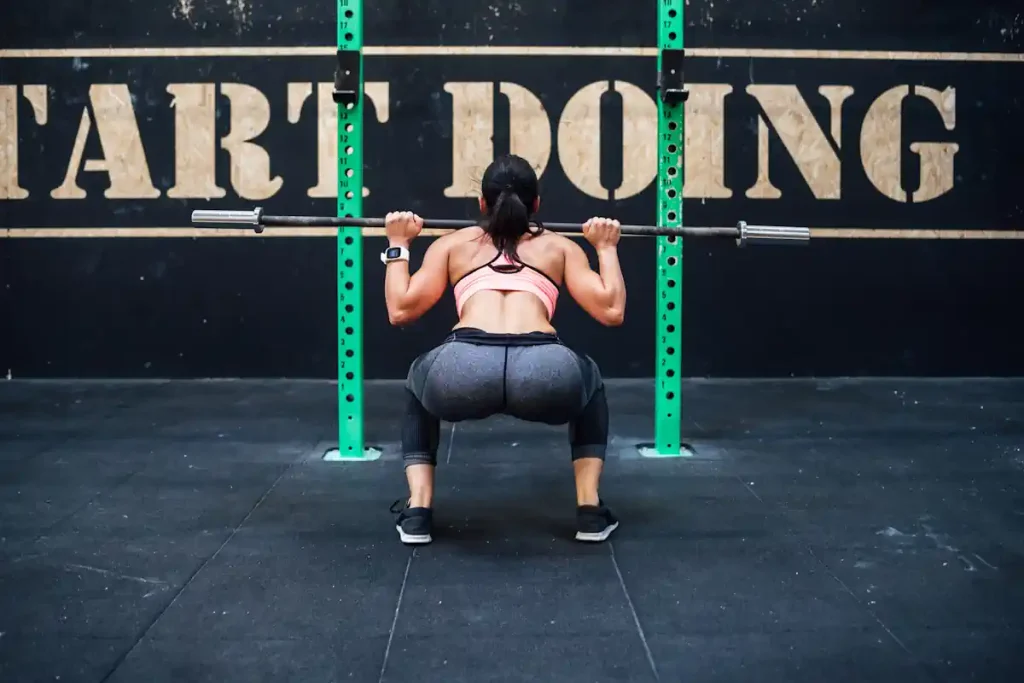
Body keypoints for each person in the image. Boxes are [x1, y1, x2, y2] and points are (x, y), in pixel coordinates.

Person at [379, 153, 626, 545]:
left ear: (481, 204)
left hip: (464, 370)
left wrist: (398, 245)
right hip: (544, 371)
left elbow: (400, 309)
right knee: (590, 379)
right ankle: (590, 512)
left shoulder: (454, 244)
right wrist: (606, 247)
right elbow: (612, 310)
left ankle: (417, 513)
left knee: (418, 381)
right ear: (537, 204)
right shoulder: (560, 247)